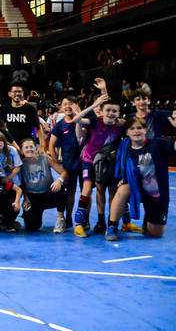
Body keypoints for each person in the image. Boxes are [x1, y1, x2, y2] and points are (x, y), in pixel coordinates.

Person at [106, 117, 175, 240]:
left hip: (155, 193)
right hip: (136, 188)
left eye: (139, 128)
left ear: (145, 130)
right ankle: (112, 226)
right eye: (132, 128)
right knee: (122, 189)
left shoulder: (157, 144)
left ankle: (148, 218)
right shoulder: (125, 148)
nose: (136, 131)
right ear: (127, 133)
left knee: (156, 233)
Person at [72, 94, 124, 237]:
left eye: (114, 111)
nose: (111, 113)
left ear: (119, 113)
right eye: (108, 110)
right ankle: (79, 225)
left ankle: (109, 222)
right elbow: (76, 119)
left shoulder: (120, 126)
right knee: (87, 189)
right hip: (89, 160)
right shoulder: (95, 121)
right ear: (102, 111)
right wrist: (95, 104)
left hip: (106, 162)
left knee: (109, 190)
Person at [18, 139, 69, 232]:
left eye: (31, 146)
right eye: (26, 147)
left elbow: (64, 173)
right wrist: (25, 198)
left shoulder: (45, 158)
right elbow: (22, 183)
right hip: (33, 197)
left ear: (36, 148)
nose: (29, 149)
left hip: (48, 194)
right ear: (21, 151)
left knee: (60, 188)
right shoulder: (21, 164)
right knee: (31, 227)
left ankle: (61, 219)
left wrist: (59, 180)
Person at [48, 96, 83, 229]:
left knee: (86, 191)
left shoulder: (84, 120)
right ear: (61, 107)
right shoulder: (60, 125)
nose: (68, 106)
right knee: (71, 191)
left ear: (76, 105)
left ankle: (85, 219)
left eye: (71, 103)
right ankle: (68, 218)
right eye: (65, 104)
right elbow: (51, 145)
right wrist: (57, 164)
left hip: (85, 163)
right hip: (69, 165)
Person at [1, 83, 44, 150]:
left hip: (26, 145)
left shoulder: (30, 108)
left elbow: (38, 127)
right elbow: (2, 127)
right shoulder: (5, 109)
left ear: (23, 94)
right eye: (15, 91)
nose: (17, 94)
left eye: (20, 91)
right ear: (9, 94)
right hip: (11, 145)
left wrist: (41, 146)